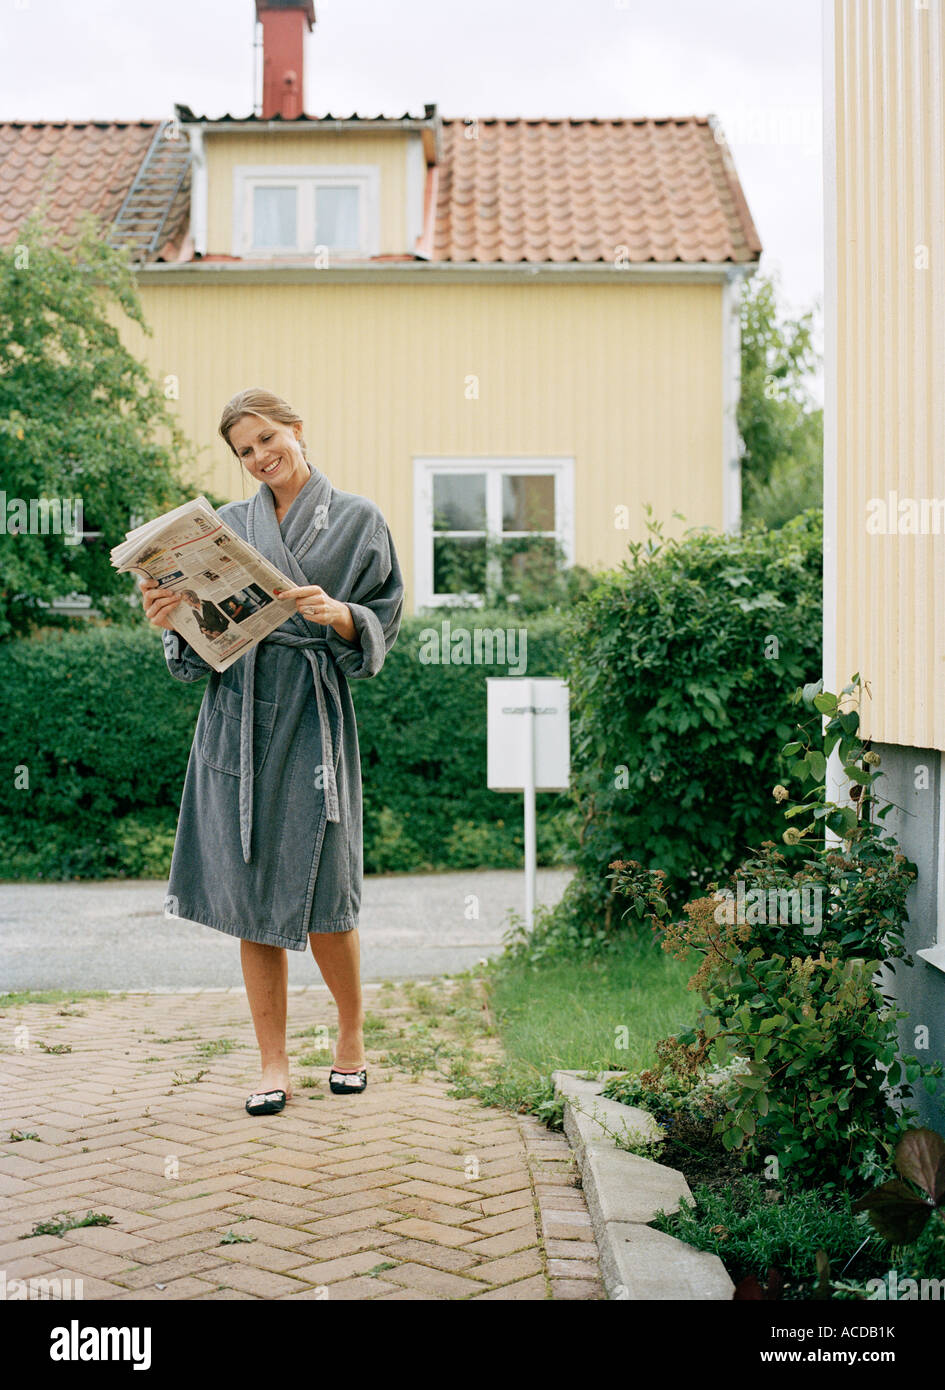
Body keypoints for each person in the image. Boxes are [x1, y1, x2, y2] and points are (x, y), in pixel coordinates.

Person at [141, 387, 405, 1115]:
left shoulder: (358, 520)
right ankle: (271, 1063)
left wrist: (342, 616)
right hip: (237, 721)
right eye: (244, 451)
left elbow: (381, 621)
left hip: (314, 718)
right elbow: (193, 661)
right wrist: (170, 620)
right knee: (251, 895)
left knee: (330, 900)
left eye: (266, 439)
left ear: (296, 428)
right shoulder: (223, 528)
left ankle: (351, 1037)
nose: (260, 457)